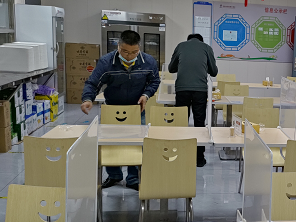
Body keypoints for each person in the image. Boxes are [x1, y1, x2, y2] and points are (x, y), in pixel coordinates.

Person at [81, 30, 160, 191]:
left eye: (134, 52)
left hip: (136, 109)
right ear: (118, 46)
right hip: (112, 108)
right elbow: (93, 83)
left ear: (139, 48)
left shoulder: (148, 62)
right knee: (110, 142)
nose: (129, 56)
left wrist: (146, 95)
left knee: (137, 143)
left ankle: (133, 178)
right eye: (125, 51)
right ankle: (114, 175)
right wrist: (88, 99)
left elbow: (154, 81)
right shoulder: (106, 62)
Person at [168, 33, 218, 167]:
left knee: (181, 122)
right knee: (199, 123)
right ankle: (199, 159)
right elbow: (214, 71)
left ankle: (179, 155)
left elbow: (171, 68)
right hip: (200, 90)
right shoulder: (206, 48)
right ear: (201, 41)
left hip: (182, 89)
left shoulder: (181, 46)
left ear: (188, 40)